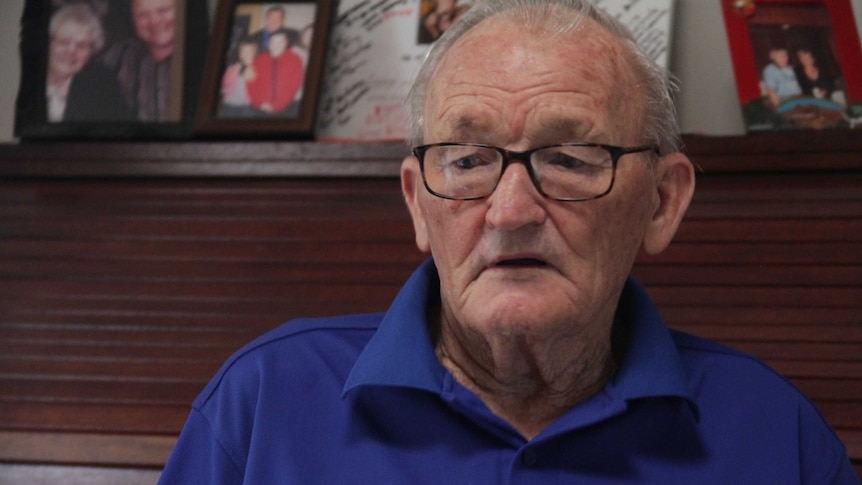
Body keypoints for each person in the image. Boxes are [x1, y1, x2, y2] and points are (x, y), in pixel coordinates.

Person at [159, 0, 859, 483]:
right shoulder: (259, 405)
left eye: (570, 158)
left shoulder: (777, 436)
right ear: (416, 202)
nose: (510, 209)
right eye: (466, 161)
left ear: (662, 202)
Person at [45, 3, 132, 122]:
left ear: (92, 53)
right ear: (49, 42)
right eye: (64, 42)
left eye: (81, 46)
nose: (71, 51)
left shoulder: (103, 86)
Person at [100, 0, 177, 121]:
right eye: (143, 15)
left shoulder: (206, 58)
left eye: (163, 11)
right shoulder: (118, 56)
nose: (154, 21)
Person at [244, 29, 304, 117]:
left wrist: (277, 105)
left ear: (286, 42)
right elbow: (251, 82)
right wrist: (259, 103)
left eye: (280, 42)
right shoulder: (259, 59)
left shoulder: (294, 59)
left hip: (284, 110)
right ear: (269, 43)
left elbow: (294, 85)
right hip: (259, 109)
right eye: (274, 42)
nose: (277, 45)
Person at [219, 37, 258, 118]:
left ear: (254, 53)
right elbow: (224, 83)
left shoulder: (256, 67)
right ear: (240, 54)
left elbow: (254, 80)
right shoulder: (232, 67)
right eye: (243, 51)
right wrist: (232, 74)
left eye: (249, 51)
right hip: (229, 103)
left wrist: (250, 65)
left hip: (246, 105)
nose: (246, 54)